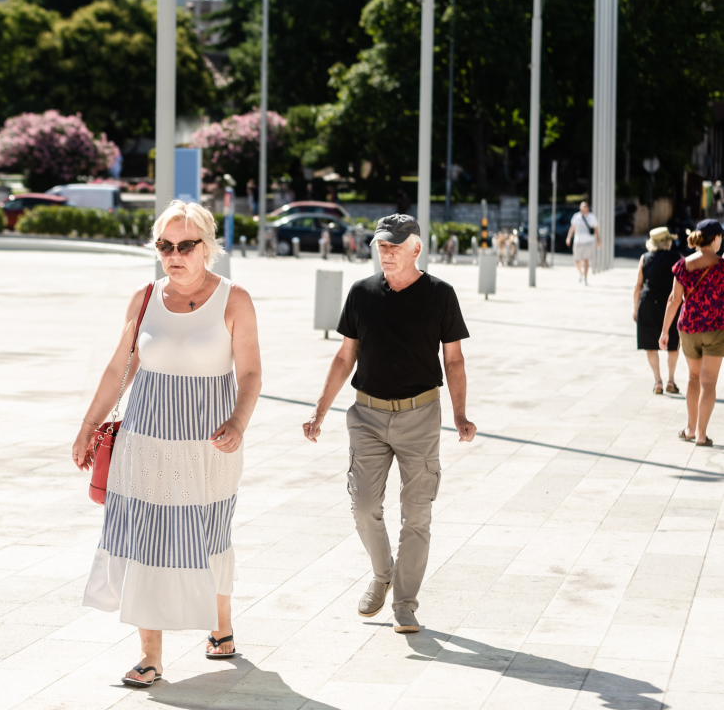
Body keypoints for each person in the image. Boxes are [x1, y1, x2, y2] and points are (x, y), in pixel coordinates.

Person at [73, 200, 261, 687]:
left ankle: (221, 628)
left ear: (207, 247)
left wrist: (239, 422)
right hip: (145, 443)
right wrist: (87, 426)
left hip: (208, 446)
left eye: (185, 245)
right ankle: (150, 655)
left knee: (207, 536)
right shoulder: (144, 298)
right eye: (164, 245)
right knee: (146, 541)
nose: (174, 255)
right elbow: (120, 367)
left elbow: (251, 372)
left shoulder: (234, 299)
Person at [302, 213, 475, 634]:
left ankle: (405, 603)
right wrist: (319, 410)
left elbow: (453, 359)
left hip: (420, 415)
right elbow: (345, 357)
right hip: (367, 416)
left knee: (417, 515)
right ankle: (383, 574)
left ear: (417, 247)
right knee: (363, 505)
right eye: (381, 245)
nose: (387, 253)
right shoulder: (361, 293)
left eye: (396, 246)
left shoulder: (440, 295)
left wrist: (459, 413)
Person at [660, 219, 724, 446]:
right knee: (709, 381)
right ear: (716, 238)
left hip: (688, 327)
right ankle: (701, 435)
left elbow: (674, 299)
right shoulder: (722, 265)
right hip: (716, 329)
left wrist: (665, 331)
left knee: (693, 377)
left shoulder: (683, 265)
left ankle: (689, 427)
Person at [634, 227, 682, 394]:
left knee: (650, 343)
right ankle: (671, 379)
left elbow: (638, 286)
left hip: (648, 303)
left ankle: (658, 381)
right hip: (670, 304)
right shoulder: (677, 258)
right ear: (668, 241)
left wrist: (635, 309)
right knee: (673, 343)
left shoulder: (645, 258)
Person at [566, 201, 600, 285]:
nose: (584, 209)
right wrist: (569, 237)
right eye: (582, 207)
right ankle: (580, 273)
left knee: (586, 260)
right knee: (577, 260)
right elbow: (572, 228)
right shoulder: (576, 217)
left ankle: (585, 278)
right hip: (578, 241)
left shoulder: (592, 217)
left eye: (585, 207)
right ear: (580, 208)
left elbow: (596, 230)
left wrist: (598, 241)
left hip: (588, 241)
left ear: (588, 208)